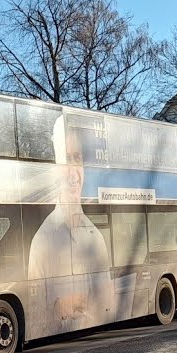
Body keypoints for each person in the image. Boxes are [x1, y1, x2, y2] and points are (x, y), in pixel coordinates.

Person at [27, 119, 113, 325]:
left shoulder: (96, 237)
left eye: (77, 159)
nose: (73, 171)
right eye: (66, 159)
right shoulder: (42, 240)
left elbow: (107, 310)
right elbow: (33, 320)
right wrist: (58, 309)